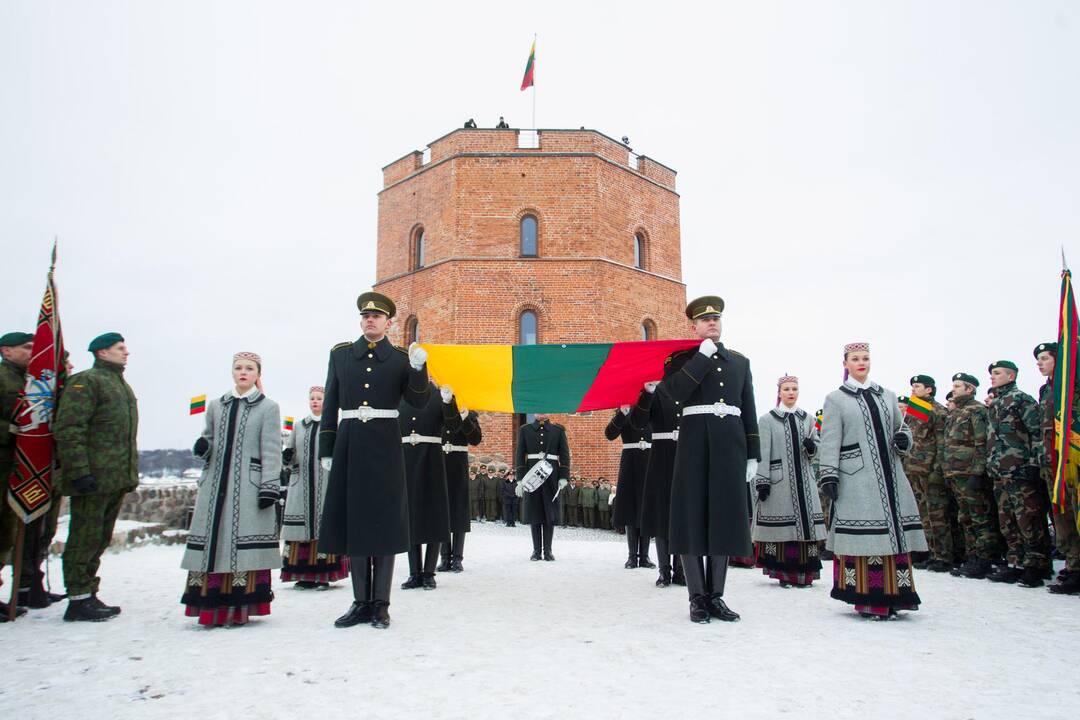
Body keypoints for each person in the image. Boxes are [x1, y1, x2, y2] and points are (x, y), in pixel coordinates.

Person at [319, 291, 430, 629]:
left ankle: (381, 603)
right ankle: (360, 602)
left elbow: (418, 401)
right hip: (351, 444)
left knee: (383, 523)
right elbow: (330, 404)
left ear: (388, 323)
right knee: (355, 524)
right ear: (361, 320)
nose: (371, 320)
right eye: (366, 316)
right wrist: (327, 447)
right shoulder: (340, 355)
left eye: (377, 316)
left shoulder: (399, 358)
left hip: (384, 446)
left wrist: (419, 369)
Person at [656, 296, 758, 623]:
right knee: (691, 519)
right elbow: (674, 394)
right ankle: (697, 598)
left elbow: (749, 411)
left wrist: (752, 454)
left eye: (716, 318)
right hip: (694, 447)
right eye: (705, 320)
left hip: (730, 449)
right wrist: (700, 358)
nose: (712, 323)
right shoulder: (680, 360)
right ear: (694, 327)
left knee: (723, 520)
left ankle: (716, 596)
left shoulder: (740, 362)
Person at [818, 342, 926, 619]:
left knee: (892, 534)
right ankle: (868, 598)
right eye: (855, 358)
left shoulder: (887, 395)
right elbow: (830, 441)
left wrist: (905, 441)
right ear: (845, 364)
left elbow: (901, 431)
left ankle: (896, 596)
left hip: (891, 476)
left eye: (865, 358)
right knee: (865, 538)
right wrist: (829, 474)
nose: (861, 362)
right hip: (856, 479)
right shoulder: (836, 399)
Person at [181, 352, 282, 626]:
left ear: (257, 374)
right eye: (238, 368)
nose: (243, 372)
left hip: (248, 486)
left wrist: (269, 486)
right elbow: (209, 440)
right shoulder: (216, 405)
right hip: (216, 484)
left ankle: (241, 606)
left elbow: (272, 450)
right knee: (214, 542)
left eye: (249, 368)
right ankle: (210, 605)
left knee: (241, 544)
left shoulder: (268, 407)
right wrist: (202, 448)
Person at [54, 332, 138, 622]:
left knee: (99, 538)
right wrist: (79, 472)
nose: (126, 352)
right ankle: (78, 598)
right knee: (84, 537)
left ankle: (87, 592)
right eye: (120, 348)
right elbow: (69, 428)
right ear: (102, 353)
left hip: (113, 477)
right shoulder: (86, 381)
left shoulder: (118, 383)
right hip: (93, 476)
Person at [751, 375, 826, 587]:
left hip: (805, 481)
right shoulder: (767, 420)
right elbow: (762, 453)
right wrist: (762, 480)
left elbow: (817, 450)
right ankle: (784, 574)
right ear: (779, 392)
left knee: (805, 527)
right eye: (786, 389)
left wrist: (813, 448)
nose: (791, 392)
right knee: (783, 529)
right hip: (779, 483)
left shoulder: (808, 419)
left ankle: (806, 574)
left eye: (794, 388)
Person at [985, 360, 1052, 587]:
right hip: (999, 471)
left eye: (997, 373)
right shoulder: (996, 403)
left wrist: (1035, 464)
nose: (992, 377)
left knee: (1028, 518)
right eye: (992, 374)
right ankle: (1016, 561)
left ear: (1011, 376)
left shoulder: (1022, 400)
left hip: (1020, 469)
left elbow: (1036, 432)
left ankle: (1038, 564)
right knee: (1007, 520)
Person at [281, 386, 348, 590]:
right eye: (312, 398)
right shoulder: (299, 426)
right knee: (301, 530)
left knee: (323, 527)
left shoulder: (333, 426)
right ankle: (302, 575)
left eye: (319, 398)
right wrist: (287, 456)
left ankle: (325, 574)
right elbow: (290, 455)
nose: (315, 401)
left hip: (325, 483)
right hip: (300, 484)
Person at [400, 382, 460, 590]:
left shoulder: (437, 395)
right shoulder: (402, 395)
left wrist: (448, 402)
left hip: (432, 460)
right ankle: (414, 572)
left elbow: (453, 426)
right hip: (406, 459)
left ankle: (428, 573)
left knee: (434, 519)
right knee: (411, 519)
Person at [902, 375, 960, 571]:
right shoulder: (913, 410)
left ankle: (944, 555)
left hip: (931, 470)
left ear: (929, 390)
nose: (913, 389)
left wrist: (938, 468)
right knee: (922, 514)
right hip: (913, 469)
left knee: (938, 514)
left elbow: (942, 441)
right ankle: (929, 552)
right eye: (912, 386)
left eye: (917, 386)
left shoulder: (937, 410)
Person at [1034, 342, 1080, 594]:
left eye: (1045, 358)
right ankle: (1074, 565)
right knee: (1063, 516)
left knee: (1075, 511)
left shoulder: (1071, 386)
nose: (1040, 363)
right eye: (1038, 359)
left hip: (1073, 459)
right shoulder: (1046, 390)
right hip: (1052, 462)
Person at [943, 373, 997, 579]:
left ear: (970, 389)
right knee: (964, 516)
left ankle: (985, 558)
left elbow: (981, 442)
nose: (954, 389)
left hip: (970, 472)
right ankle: (972, 556)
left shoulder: (976, 411)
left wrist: (978, 471)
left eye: (958, 386)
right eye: (953, 385)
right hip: (956, 473)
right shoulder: (957, 413)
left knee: (979, 517)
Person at [631, 378, 684, 586]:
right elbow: (638, 421)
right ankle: (665, 571)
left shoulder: (687, 386)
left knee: (682, 517)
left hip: (684, 455)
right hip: (661, 456)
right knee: (662, 518)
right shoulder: (656, 390)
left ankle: (681, 569)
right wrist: (648, 394)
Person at [0, 332, 33, 620]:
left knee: (5, 534)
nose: (32, 351)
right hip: (3, 460)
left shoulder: (32, 382)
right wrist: (11, 430)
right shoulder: (2, 378)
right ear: (6, 351)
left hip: (17, 467)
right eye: (26, 347)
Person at [514, 415, 570, 561]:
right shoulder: (525, 430)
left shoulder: (558, 430)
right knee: (534, 512)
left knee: (550, 514)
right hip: (531, 475)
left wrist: (563, 476)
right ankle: (536, 551)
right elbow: (520, 455)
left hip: (551, 476)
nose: (541, 413)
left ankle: (548, 551)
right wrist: (520, 479)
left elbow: (564, 455)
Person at [608, 406, 654, 569]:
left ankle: (645, 556)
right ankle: (632, 556)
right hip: (630, 464)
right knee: (630, 510)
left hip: (649, 463)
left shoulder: (652, 411)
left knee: (645, 510)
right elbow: (610, 434)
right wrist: (622, 413)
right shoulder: (624, 412)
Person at [439, 403, 482, 572]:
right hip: (440, 463)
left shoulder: (469, 415)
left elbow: (475, 439)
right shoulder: (438, 411)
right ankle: (444, 558)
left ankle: (457, 558)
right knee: (443, 513)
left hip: (457, 465)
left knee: (458, 512)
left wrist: (465, 419)